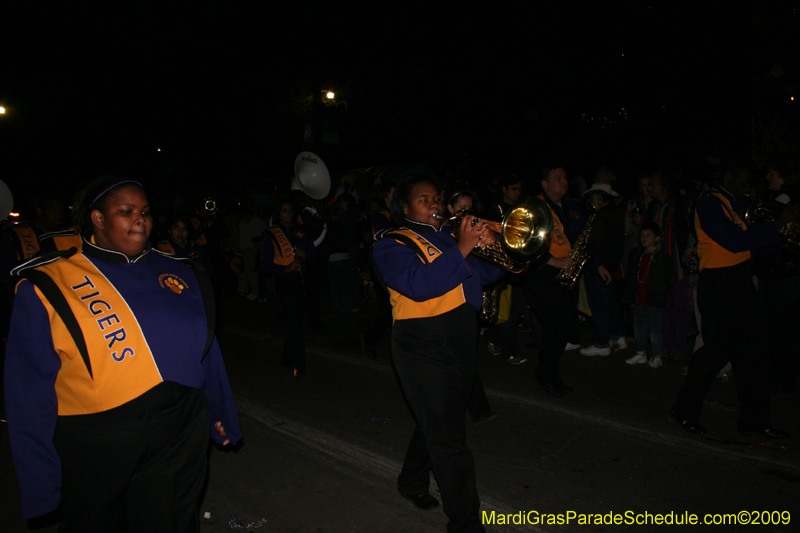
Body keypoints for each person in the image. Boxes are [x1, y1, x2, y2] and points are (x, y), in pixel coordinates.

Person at [4, 176, 241, 532]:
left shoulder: (181, 271)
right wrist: (40, 477)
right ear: (98, 219)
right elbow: (27, 392)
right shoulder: (47, 283)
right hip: (96, 443)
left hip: (180, 431)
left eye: (144, 211)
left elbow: (206, 349)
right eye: (126, 212)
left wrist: (221, 412)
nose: (140, 220)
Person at [373, 175, 503, 533]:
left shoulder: (448, 237)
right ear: (404, 208)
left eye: (436, 198)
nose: (434, 204)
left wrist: (493, 246)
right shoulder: (391, 242)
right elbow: (419, 284)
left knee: (438, 421)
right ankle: (466, 523)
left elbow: (486, 276)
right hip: (421, 345)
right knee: (449, 439)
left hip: (460, 339)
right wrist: (463, 247)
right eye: (423, 199)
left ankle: (411, 480)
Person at [670, 164, 791, 438]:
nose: (748, 186)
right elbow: (734, 241)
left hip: (742, 280)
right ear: (728, 177)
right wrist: (776, 227)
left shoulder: (740, 205)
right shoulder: (708, 203)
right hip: (718, 283)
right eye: (744, 180)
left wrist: (783, 235)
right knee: (715, 352)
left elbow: (752, 247)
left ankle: (754, 419)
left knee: (755, 354)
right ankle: (683, 410)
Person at [524, 166, 596, 397]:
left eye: (565, 177)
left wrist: (599, 264)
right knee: (556, 326)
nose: (564, 181)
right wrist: (550, 260)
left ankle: (549, 374)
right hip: (542, 273)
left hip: (566, 272)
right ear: (544, 184)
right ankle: (545, 376)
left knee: (563, 327)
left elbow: (583, 237)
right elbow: (522, 241)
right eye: (557, 178)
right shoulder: (533, 206)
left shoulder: (571, 206)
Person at [261, 200, 317, 376]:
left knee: (297, 322)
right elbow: (265, 264)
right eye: (284, 211)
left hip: (300, 281)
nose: (288, 214)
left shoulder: (301, 231)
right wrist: (284, 269)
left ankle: (286, 358)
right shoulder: (271, 234)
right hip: (284, 282)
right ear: (279, 213)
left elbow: (313, 256)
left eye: (290, 211)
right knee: (293, 323)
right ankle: (299, 365)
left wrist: (305, 255)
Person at [579, 183, 627, 357]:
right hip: (611, 266)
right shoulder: (615, 214)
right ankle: (618, 336)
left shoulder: (600, 216)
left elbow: (596, 244)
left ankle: (602, 343)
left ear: (599, 197)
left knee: (600, 305)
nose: (590, 201)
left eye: (592, 197)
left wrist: (595, 263)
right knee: (611, 303)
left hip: (600, 268)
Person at [624, 223, 672, 367]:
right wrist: (630, 298)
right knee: (639, 329)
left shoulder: (662, 258)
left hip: (653, 301)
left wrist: (659, 299)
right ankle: (641, 353)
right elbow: (632, 279)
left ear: (657, 238)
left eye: (648, 235)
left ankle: (657, 355)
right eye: (643, 235)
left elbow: (664, 282)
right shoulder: (638, 257)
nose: (644, 238)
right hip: (640, 300)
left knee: (655, 330)